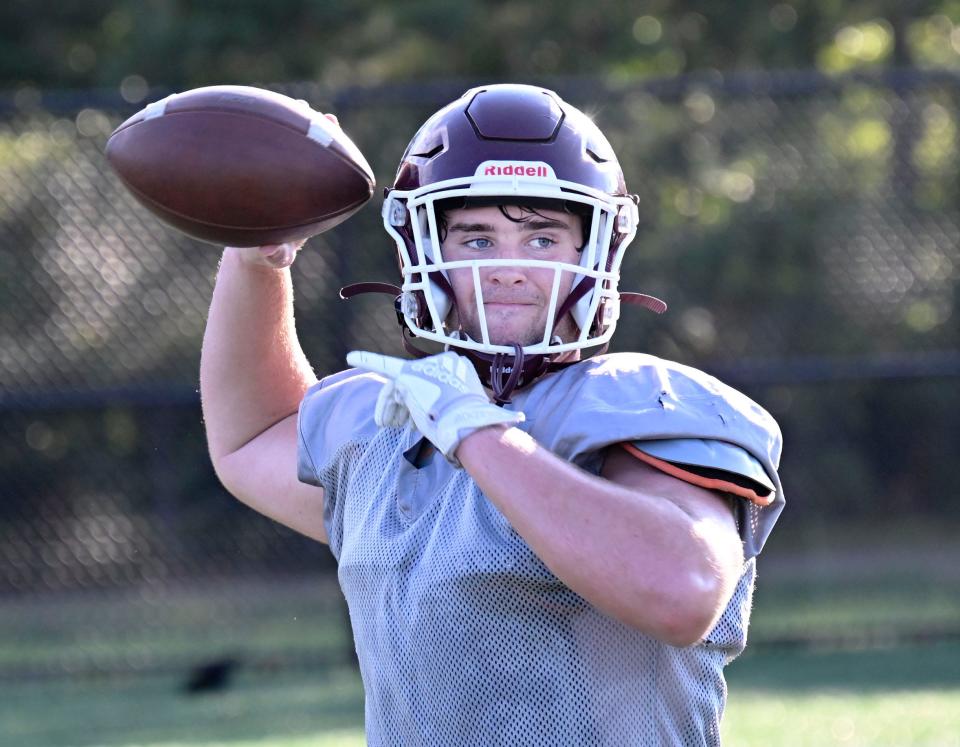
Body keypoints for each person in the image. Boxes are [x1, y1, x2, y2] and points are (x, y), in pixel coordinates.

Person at [200, 84, 784, 746]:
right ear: (423, 248)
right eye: (477, 237)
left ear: (593, 252)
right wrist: (254, 255)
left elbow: (682, 590)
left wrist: (478, 431)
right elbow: (251, 435)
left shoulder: (641, 402)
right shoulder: (396, 415)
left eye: (541, 237)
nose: (507, 267)